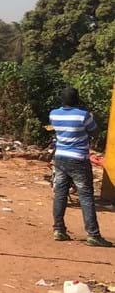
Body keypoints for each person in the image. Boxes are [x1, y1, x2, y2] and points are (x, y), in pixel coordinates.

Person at [50, 87, 112, 246]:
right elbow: (95, 132)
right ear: (77, 99)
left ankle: (58, 230)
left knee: (60, 193)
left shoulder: (54, 114)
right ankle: (93, 234)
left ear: (62, 99)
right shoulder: (84, 115)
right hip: (78, 160)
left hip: (60, 158)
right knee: (85, 195)